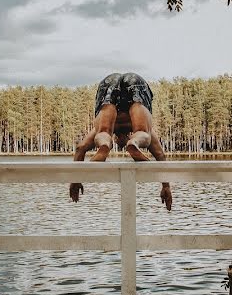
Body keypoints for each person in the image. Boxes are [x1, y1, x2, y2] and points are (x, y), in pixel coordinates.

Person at [70, 73, 172, 210]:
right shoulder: (135, 127)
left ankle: (105, 144)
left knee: (103, 133)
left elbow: (80, 148)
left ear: (116, 138)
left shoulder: (109, 130)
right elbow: (160, 154)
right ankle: (135, 143)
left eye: (117, 142)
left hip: (109, 83)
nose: (120, 143)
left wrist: (76, 180)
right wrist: (166, 186)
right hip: (135, 81)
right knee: (143, 132)